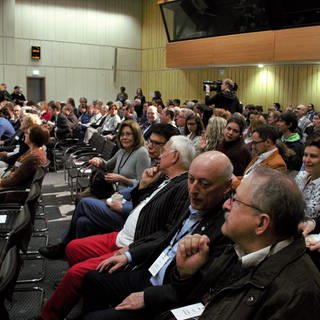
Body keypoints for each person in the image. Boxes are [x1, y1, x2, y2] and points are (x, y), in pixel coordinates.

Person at [38, 134, 192, 320]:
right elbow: (136, 199)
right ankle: (78, 291)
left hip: (133, 241)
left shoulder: (181, 185)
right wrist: (142, 186)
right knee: (75, 244)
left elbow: (166, 231)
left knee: (76, 268)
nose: (159, 153)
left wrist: (132, 250)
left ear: (174, 156)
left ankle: (48, 316)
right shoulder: (161, 176)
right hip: (122, 226)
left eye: (164, 149)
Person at [78, 151, 233, 320]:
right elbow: (163, 233)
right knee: (92, 278)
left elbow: (199, 289)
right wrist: (130, 254)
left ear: (226, 187)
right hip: (151, 271)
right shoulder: (191, 201)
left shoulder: (225, 228)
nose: (193, 189)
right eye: (191, 179)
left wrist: (149, 296)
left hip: (166, 293)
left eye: (204, 183)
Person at [152, 167, 320, 320]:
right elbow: (198, 305)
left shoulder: (297, 295)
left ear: (261, 224)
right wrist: (187, 275)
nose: (226, 205)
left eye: (235, 200)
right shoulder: (239, 247)